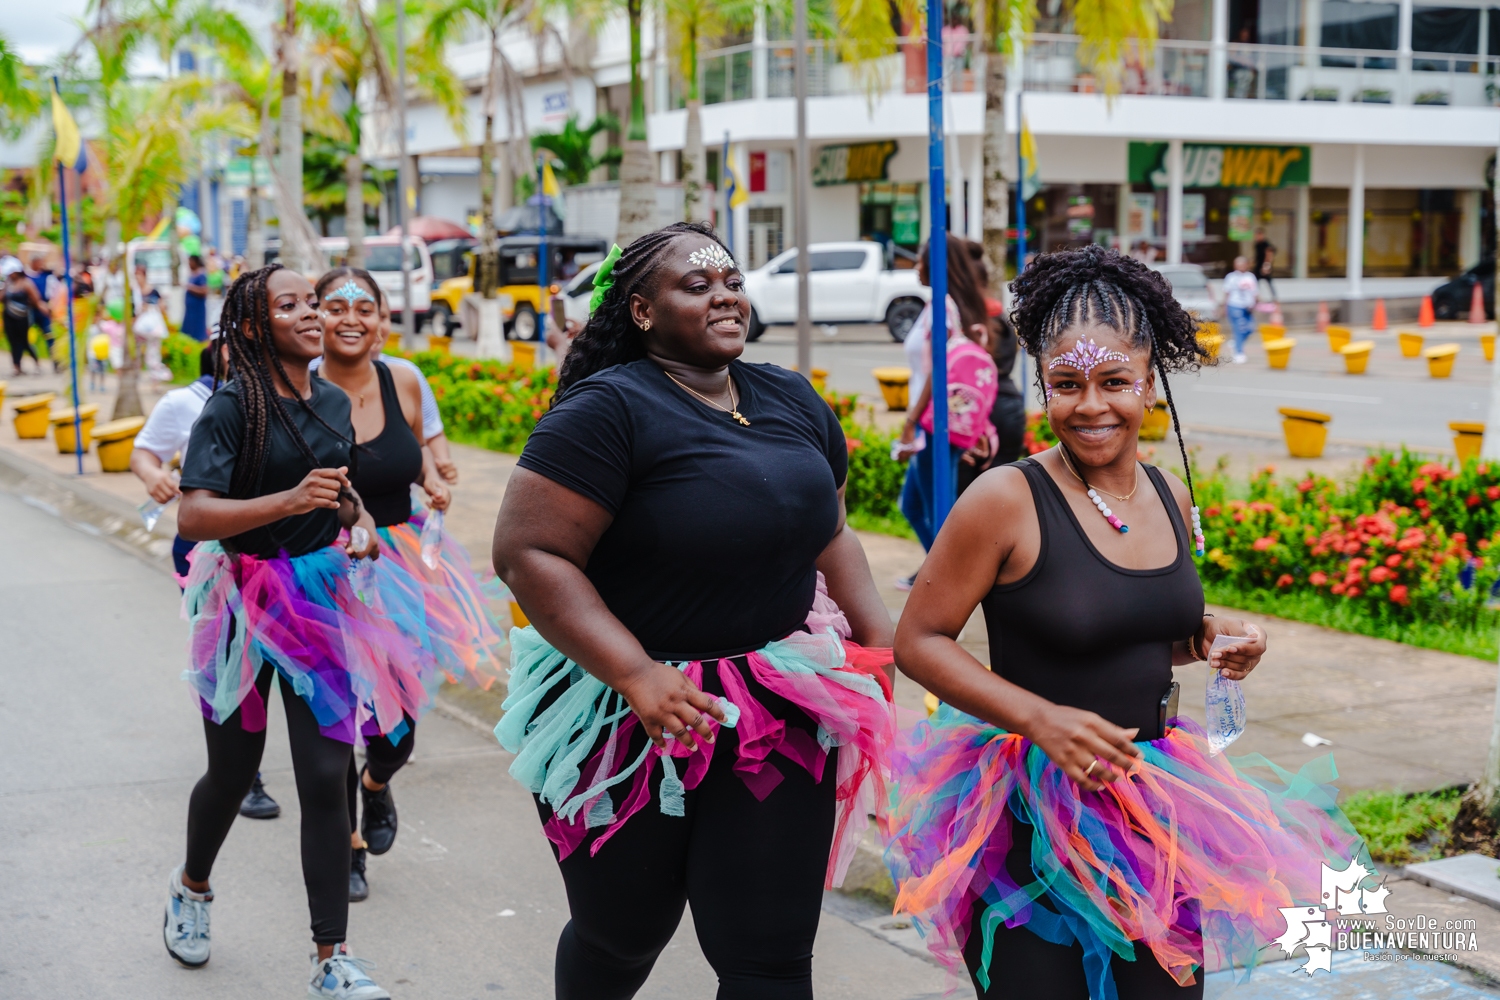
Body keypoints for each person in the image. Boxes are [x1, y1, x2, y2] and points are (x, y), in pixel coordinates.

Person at [883, 246, 1364, 1000]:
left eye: (1114, 382)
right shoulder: (1006, 498)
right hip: (1033, 812)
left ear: (1150, 383)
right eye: (1066, 385)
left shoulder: (1168, 493)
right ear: (1043, 386)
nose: (1091, 405)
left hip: (1157, 801)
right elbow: (917, 640)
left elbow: (1133, 625)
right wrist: (1042, 721)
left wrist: (1209, 636)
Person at [491, 222, 897, 999]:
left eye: (733, 282)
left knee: (770, 956)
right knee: (623, 933)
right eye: (697, 284)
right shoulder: (606, 411)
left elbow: (831, 526)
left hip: (776, 706)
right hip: (621, 712)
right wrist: (637, 673)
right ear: (642, 312)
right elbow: (529, 555)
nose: (724, 296)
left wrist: (874, 635)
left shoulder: (791, 396)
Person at [166, 262, 424, 1000]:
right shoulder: (230, 408)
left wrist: (364, 526)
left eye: (312, 301)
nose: (312, 314)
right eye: (292, 305)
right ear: (253, 327)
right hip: (240, 603)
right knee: (231, 771)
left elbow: (340, 499)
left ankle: (331, 957)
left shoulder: (335, 404)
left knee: (321, 776)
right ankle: (192, 888)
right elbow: (195, 515)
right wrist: (285, 501)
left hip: (319, 596)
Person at [311, 265, 505, 903]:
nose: (350, 319)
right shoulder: (300, 387)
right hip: (320, 566)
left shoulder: (405, 378)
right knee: (335, 715)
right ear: (316, 316)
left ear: (383, 318)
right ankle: (347, 846)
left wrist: (436, 474)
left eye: (363, 307)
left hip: (400, 564)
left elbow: (425, 445)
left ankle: (377, 784)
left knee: (396, 727)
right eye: (334, 307)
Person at [131, 336, 284, 820]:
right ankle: (243, 773)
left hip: (285, 555)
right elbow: (144, 452)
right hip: (208, 555)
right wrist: (152, 476)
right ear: (219, 350)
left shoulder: (293, 395)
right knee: (228, 653)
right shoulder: (186, 402)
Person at [895, 236, 997, 587]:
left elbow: (941, 371)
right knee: (913, 504)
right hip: (933, 421)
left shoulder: (943, 308)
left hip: (933, 423)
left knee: (941, 513)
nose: (916, 267)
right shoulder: (946, 306)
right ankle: (944, 573)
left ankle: (954, 580)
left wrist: (911, 423)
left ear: (935, 265)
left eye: (921, 260)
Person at [309, 297, 459, 485]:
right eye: (338, 311)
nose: (354, 322)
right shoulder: (309, 375)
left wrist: (437, 468)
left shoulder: (406, 375)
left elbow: (430, 434)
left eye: (382, 317)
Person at [5, 269, 45, 375]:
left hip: (22, 317)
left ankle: (37, 363)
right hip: (9, 318)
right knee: (13, 342)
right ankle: (16, 366)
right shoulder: (8, 284)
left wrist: (41, 308)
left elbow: (36, 299)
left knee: (24, 342)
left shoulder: (26, 283)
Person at [1222, 256, 1259, 364]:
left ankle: (1236, 342)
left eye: (1243, 264)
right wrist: (1224, 307)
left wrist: (1256, 303)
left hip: (1248, 307)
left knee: (1250, 329)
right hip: (1234, 305)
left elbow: (1255, 292)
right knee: (1239, 328)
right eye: (1238, 264)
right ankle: (1239, 352)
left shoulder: (1251, 276)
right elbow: (1227, 292)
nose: (1241, 266)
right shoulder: (1231, 277)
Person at [25, 255, 54, 363]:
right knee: (27, 337)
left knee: (49, 334)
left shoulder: (46, 275)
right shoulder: (26, 276)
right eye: (39, 262)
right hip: (31, 309)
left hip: (44, 310)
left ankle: (56, 362)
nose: (41, 264)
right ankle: (35, 361)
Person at [182, 254, 209, 341]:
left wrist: (190, 287)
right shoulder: (192, 274)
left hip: (197, 308)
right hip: (190, 309)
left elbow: (204, 291)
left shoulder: (201, 275)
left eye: (190, 262)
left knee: (197, 328)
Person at [1252, 227, 1277, 302]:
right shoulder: (1256, 244)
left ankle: (1275, 299)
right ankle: (1255, 298)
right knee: (1255, 283)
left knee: (1269, 283)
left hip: (1264, 267)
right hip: (1258, 266)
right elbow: (1257, 256)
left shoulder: (1266, 244)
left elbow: (1269, 255)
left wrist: (1266, 266)